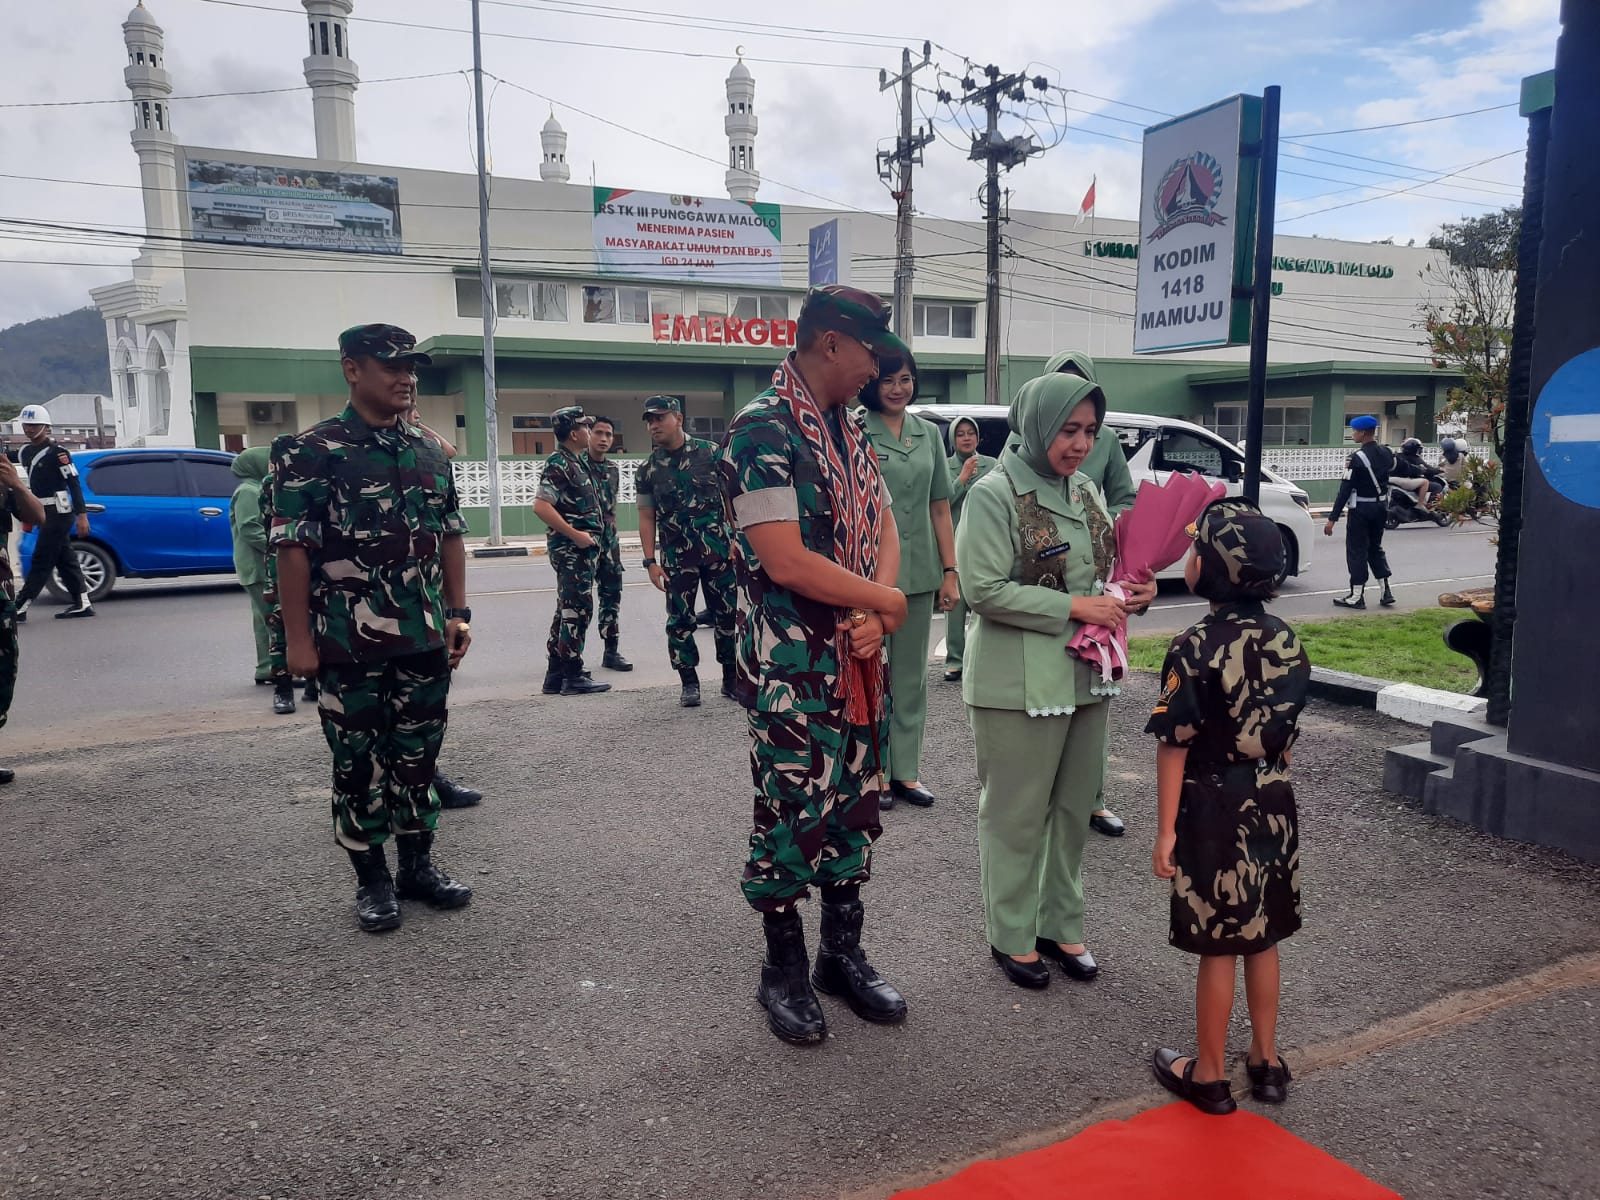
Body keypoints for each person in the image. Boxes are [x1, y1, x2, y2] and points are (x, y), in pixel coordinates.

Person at [718, 284, 911, 1046]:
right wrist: (882, 602)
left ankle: (840, 954)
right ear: (831, 342)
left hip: (856, 660)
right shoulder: (760, 430)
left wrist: (876, 612)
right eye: (871, 353)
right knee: (792, 812)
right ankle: (783, 968)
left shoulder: (849, 429)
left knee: (853, 808)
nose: (878, 369)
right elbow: (786, 560)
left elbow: (885, 523)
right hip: (793, 670)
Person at [272, 323, 475, 934]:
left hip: (424, 635)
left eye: (411, 367)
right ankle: (373, 881)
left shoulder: (430, 450)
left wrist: (458, 613)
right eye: (391, 366)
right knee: (357, 763)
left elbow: (450, 536)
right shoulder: (311, 451)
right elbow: (292, 550)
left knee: (419, 756)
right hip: (347, 640)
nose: (405, 378)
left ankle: (417, 868)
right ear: (352, 369)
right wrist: (298, 641)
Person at [957, 373, 1157, 990]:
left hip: (1084, 673)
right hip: (1016, 679)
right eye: (1069, 430)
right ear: (1038, 423)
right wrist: (1075, 607)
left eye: (1091, 431)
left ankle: (1059, 922)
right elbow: (982, 589)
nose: (1081, 444)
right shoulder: (994, 493)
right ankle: (1011, 932)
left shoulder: (1087, 489)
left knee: (1072, 810)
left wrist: (1135, 591)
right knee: (1015, 814)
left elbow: (1104, 572)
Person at [1146, 498, 1310, 1115]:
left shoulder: (1193, 645)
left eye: (1196, 550)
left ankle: (1210, 1074)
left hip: (1213, 803)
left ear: (1211, 569)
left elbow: (1174, 743)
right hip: (1273, 798)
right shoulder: (1286, 637)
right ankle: (1266, 1061)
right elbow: (1285, 734)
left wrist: (1165, 831)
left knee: (1219, 942)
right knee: (1263, 935)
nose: (1189, 558)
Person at [858, 352, 957, 810]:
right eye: (888, 381)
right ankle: (873, 772)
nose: (898, 389)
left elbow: (940, 507)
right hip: (868, 576)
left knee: (911, 678)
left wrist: (951, 571)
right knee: (870, 676)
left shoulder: (929, 434)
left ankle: (906, 772)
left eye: (906, 379)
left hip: (918, 575)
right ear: (871, 384)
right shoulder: (856, 429)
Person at [1044, 350, 1137, 838]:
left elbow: (1124, 498)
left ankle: (1092, 798)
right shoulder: (1026, 440)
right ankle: (1043, 794)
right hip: (1047, 580)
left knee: (1095, 693)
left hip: (1097, 581)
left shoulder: (1105, 442)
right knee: (1042, 703)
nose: (1080, 441)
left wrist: (1103, 526)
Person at [636, 395, 736, 707]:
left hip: (719, 552)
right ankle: (689, 683)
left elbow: (729, 498)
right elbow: (646, 516)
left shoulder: (711, 453)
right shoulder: (648, 469)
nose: (653, 425)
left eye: (659, 418)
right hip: (677, 558)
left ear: (678, 419)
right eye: (650, 421)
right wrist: (650, 561)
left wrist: (737, 537)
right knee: (679, 621)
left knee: (728, 616)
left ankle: (731, 678)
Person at [533, 406, 611, 697]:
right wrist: (576, 535)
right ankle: (572, 674)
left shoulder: (574, 462)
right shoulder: (559, 463)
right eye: (586, 427)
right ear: (575, 433)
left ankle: (556, 673)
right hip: (571, 550)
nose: (590, 432)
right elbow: (541, 506)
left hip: (579, 550)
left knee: (566, 608)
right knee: (577, 609)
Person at [13, 405, 93, 621]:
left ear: (46, 427)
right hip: (41, 511)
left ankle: (21, 605)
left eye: (34, 425)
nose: (29, 429)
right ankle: (82, 602)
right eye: (26, 425)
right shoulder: (24, 452)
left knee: (42, 557)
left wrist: (82, 515)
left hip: (60, 511)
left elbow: (74, 484)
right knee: (65, 558)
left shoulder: (59, 453)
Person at [0, 454, 48, 781]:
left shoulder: (5, 485)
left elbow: (37, 516)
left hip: (1, 596)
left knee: (4, 674)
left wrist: (16, 484)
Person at [941, 416, 995, 683]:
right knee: (955, 606)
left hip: (985, 543)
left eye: (970, 433)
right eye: (960, 433)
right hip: (954, 544)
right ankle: (954, 660)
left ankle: (984, 660)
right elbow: (942, 502)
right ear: (953, 438)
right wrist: (962, 477)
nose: (966, 438)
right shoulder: (944, 466)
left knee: (986, 603)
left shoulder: (992, 465)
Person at [1323, 415, 1396, 609]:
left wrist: (1332, 519)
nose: (1353, 434)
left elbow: (1345, 490)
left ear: (1363, 433)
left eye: (1354, 431)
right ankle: (1386, 591)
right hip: (1381, 508)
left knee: (1357, 551)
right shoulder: (1386, 452)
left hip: (1361, 510)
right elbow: (1402, 467)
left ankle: (1356, 596)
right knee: (1375, 548)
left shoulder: (1356, 458)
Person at [228, 447, 277, 693]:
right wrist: (276, 547)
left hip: (254, 565)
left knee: (262, 618)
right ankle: (278, 667)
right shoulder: (248, 491)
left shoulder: (255, 488)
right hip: (257, 565)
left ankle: (265, 667)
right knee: (273, 618)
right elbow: (249, 528)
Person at [586, 415, 632, 673]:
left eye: (609, 434)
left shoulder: (613, 469)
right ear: (588, 434)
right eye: (599, 433)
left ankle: (611, 651)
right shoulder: (576, 466)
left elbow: (611, 508)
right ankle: (566, 658)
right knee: (576, 602)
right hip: (583, 542)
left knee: (612, 596)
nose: (604, 439)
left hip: (609, 542)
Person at [1391, 437, 1441, 506]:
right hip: (1409, 482)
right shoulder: (1416, 459)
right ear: (1414, 449)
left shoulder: (1398, 456)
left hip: (1396, 482)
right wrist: (1439, 470)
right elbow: (1427, 469)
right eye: (1418, 449)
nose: (1419, 451)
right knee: (1437, 486)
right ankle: (1426, 505)